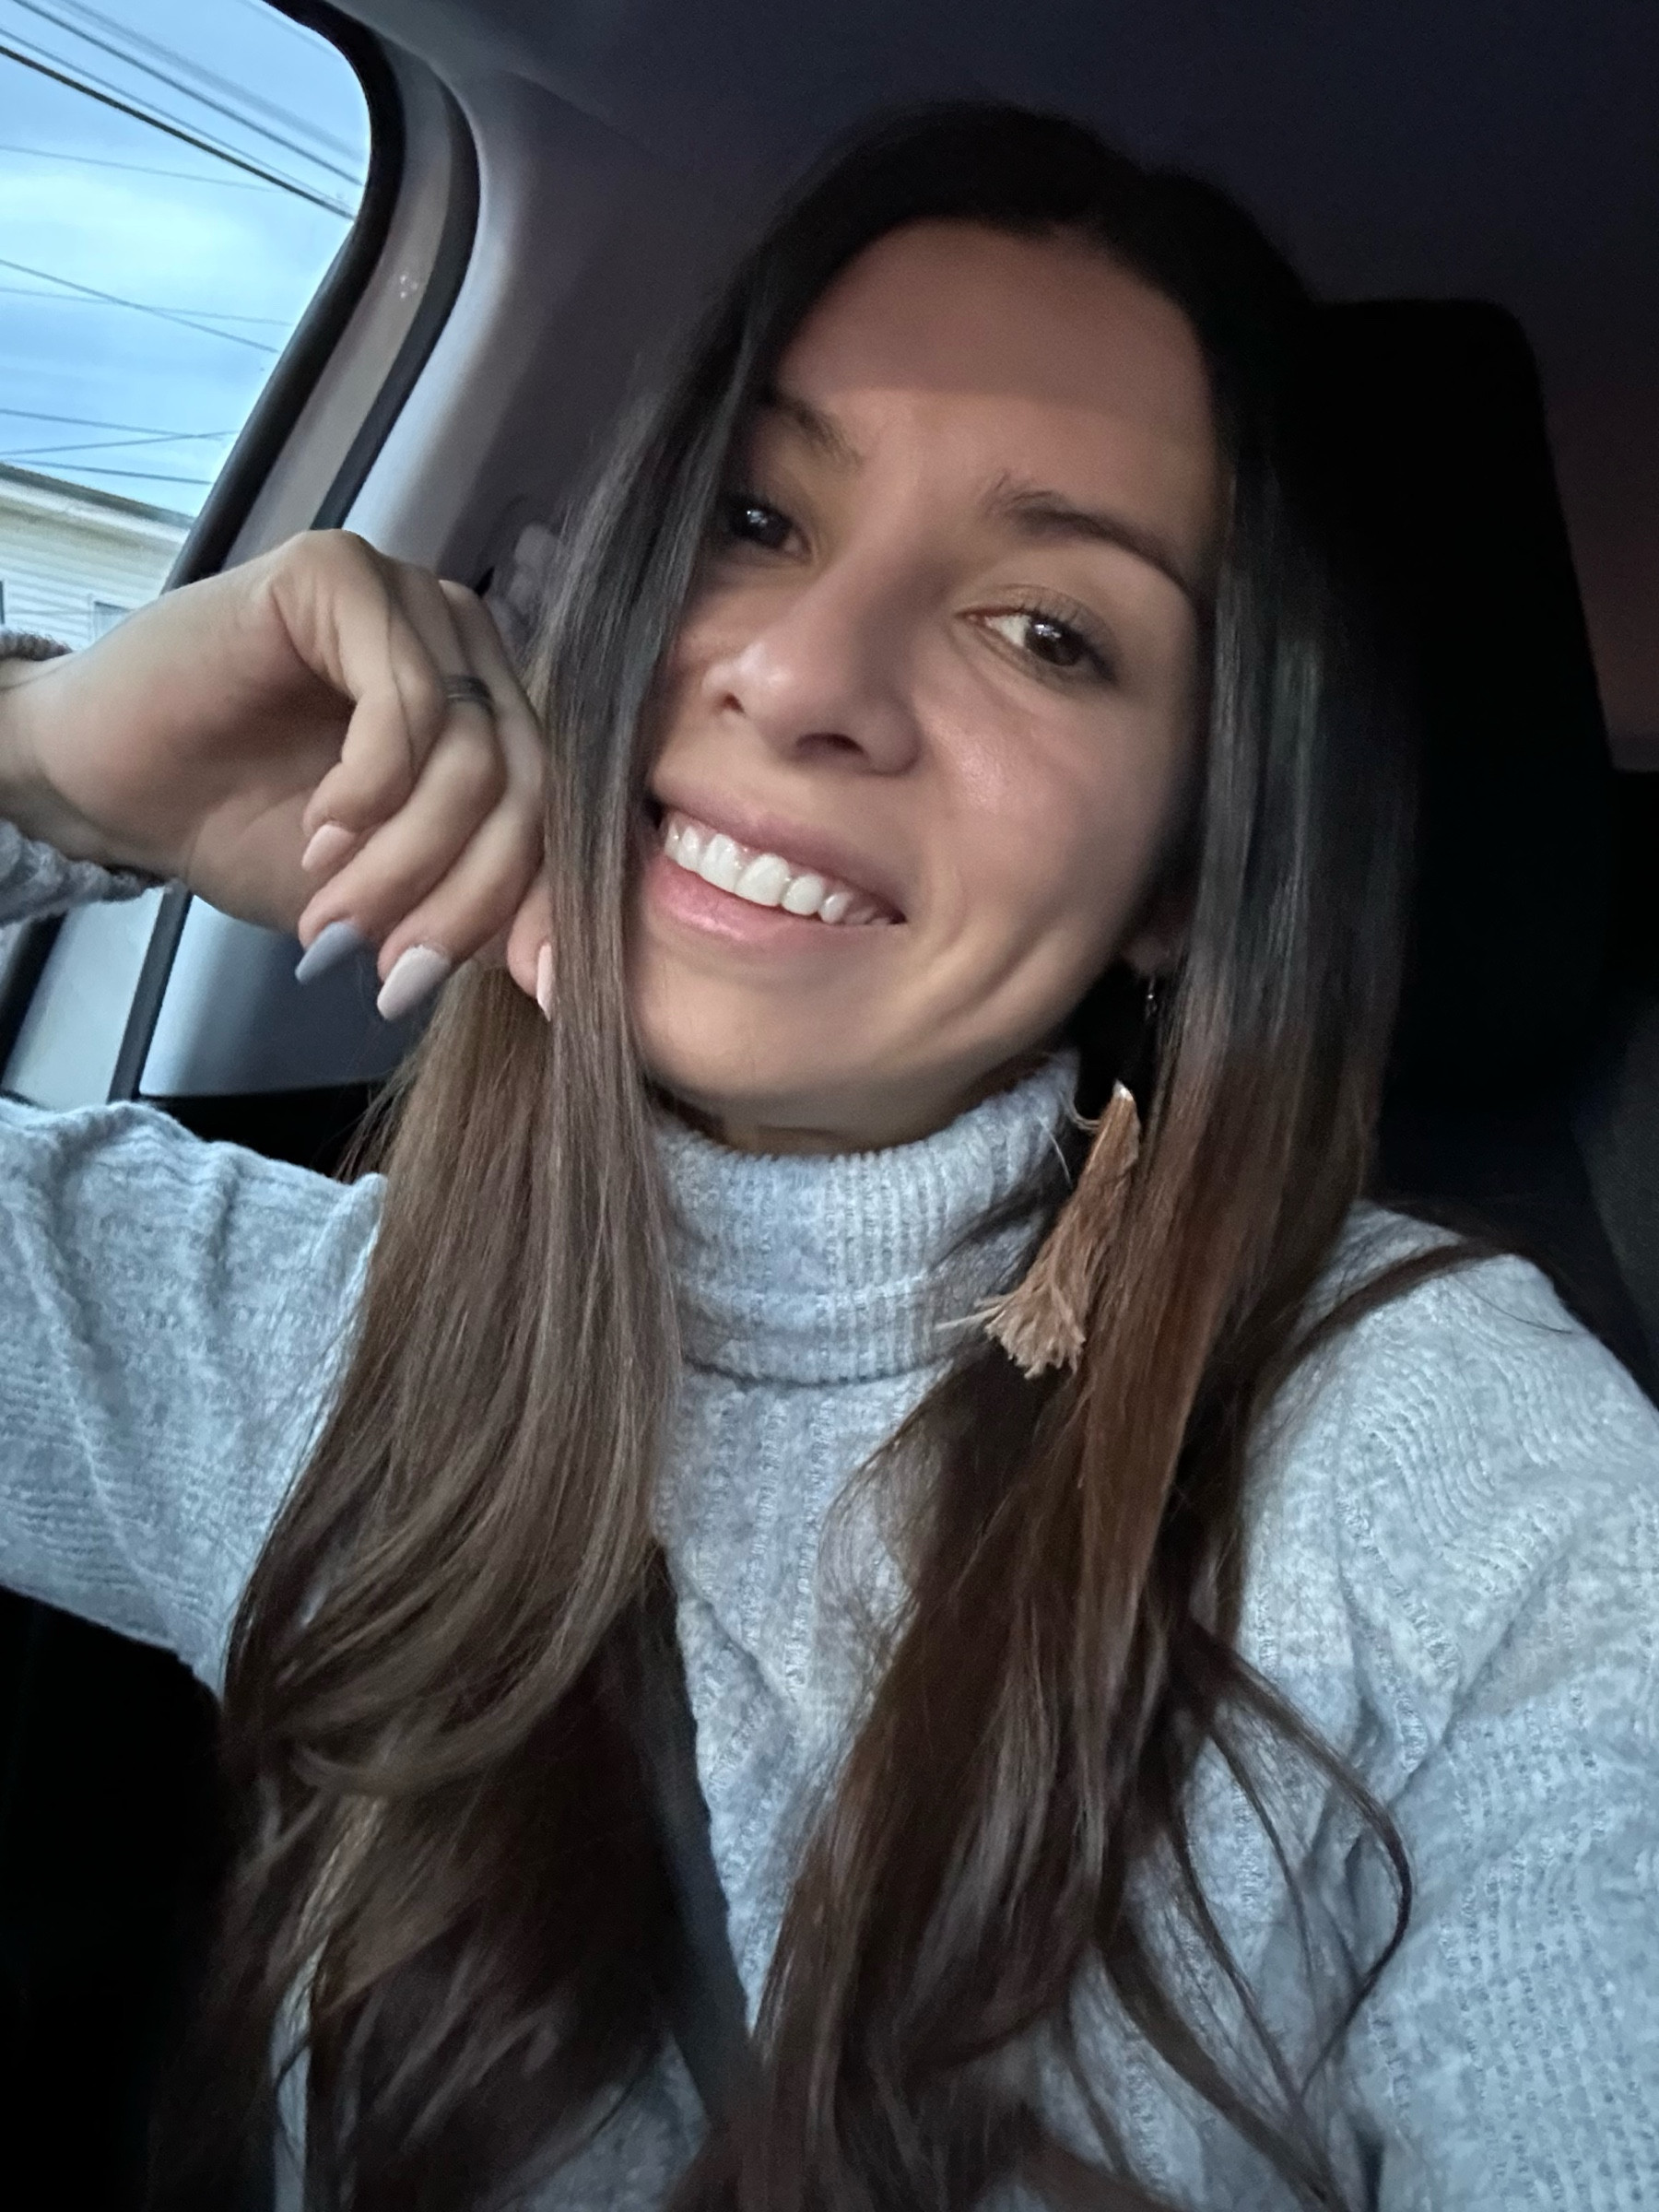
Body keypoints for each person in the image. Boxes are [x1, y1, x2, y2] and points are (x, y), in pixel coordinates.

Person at [0, 104, 1653, 2212]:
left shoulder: (1460, 1485)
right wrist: (47, 766)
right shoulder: (291, 1337)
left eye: (1048, 631)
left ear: (1184, 869)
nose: (799, 680)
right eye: (757, 518)